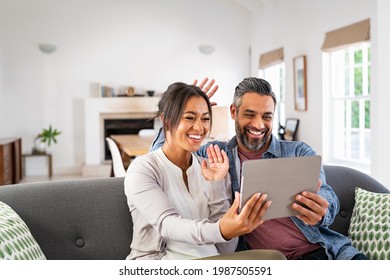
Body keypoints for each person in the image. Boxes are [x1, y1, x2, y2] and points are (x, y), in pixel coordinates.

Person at [151, 77, 368, 260]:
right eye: (249, 114)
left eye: (267, 116)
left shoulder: (298, 151)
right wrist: (178, 111)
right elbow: (161, 158)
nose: (258, 125)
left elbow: (326, 194)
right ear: (233, 111)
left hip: (323, 251)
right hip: (265, 262)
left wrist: (322, 211)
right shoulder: (216, 155)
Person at [124, 82, 270, 260]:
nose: (199, 127)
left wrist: (217, 185)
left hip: (211, 263)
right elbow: (167, 225)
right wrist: (220, 229)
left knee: (275, 259)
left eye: (205, 118)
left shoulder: (213, 168)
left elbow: (226, 250)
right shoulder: (143, 169)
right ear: (166, 121)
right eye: (190, 117)